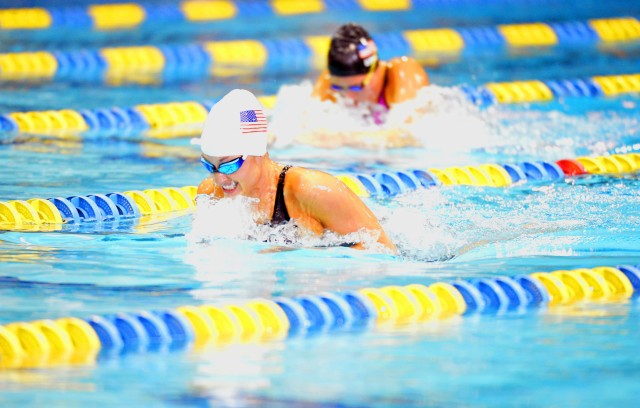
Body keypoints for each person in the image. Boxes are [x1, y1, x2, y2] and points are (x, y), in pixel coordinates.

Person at [196, 89, 397, 253]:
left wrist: (294, 255)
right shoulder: (211, 195)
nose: (219, 179)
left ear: (258, 152)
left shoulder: (313, 191)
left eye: (229, 165)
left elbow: (382, 249)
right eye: (209, 166)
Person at [312, 23, 430, 125]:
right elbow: (308, 125)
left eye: (356, 87)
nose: (348, 96)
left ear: (375, 69)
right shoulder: (333, 79)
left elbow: (408, 132)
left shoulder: (402, 73)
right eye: (338, 87)